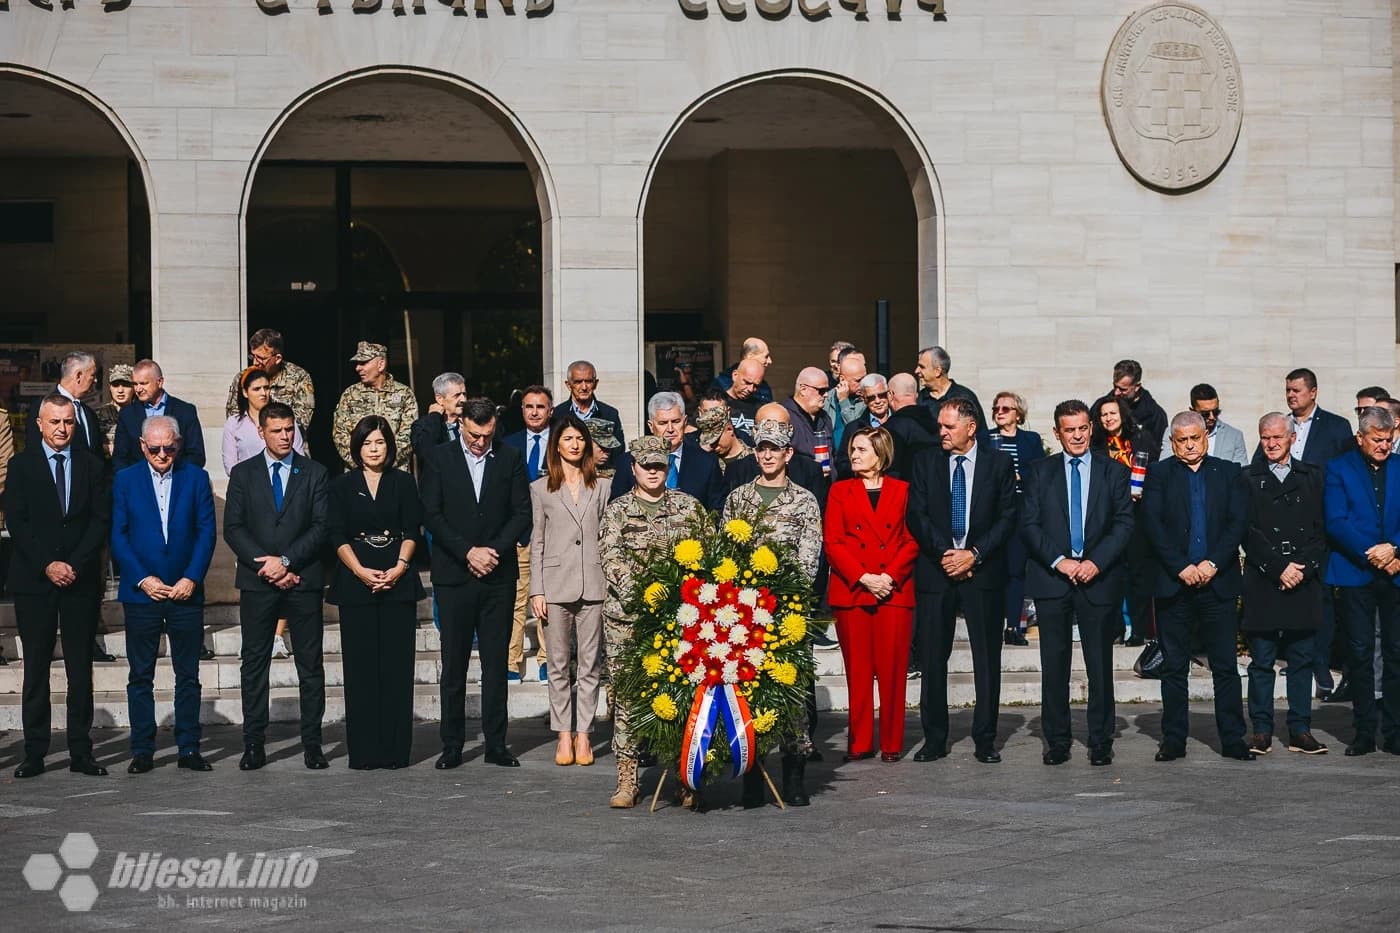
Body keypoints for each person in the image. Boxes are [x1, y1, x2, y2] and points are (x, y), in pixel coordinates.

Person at [1021, 400, 1134, 766]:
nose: (1077, 436)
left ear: (1091, 428)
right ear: (1057, 433)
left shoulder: (1113, 472)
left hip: (1098, 580)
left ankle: (1101, 740)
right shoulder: (1039, 472)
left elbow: (1124, 524)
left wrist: (1095, 563)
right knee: (1054, 665)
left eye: (1083, 428)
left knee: (1100, 665)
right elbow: (1030, 525)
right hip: (1053, 579)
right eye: (1069, 430)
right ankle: (1057, 740)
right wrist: (1061, 561)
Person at [4, 394, 111, 778]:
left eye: (68, 422)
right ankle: (34, 752)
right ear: (39, 424)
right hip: (35, 581)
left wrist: (73, 564)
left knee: (80, 668)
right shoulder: (21, 467)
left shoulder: (92, 466)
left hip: (79, 581)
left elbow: (100, 521)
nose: (62, 429)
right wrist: (48, 564)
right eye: (55, 423)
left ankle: (81, 751)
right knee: (36, 669)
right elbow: (18, 522)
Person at [421, 397, 531, 770]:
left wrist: (492, 552)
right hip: (454, 575)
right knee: (453, 665)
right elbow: (431, 514)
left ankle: (496, 744)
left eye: (486, 435)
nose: (480, 442)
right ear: (460, 424)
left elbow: (521, 513)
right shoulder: (439, 458)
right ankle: (451, 744)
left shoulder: (511, 457)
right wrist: (468, 552)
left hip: (498, 575)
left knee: (496, 664)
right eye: (473, 434)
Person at [907, 397, 1017, 764]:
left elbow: (1007, 517)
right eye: (940, 425)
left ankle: (986, 739)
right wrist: (948, 555)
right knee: (933, 659)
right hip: (937, 573)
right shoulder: (925, 462)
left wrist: (974, 554)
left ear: (971, 427)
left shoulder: (998, 464)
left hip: (982, 574)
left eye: (949, 426)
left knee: (987, 659)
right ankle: (934, 738)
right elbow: (917, 515)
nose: (942, 432)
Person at [599, 436, 707, 808]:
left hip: (679, 621)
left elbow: (705, 560)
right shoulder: (617, 511)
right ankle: (627, 780)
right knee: (628, 698)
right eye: (646, 465)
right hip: (627, 621)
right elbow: (611, 559)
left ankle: (684, 775)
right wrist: (645, 596)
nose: (652, 471)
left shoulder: (689, 509)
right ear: (633, 468)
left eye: (659, 465)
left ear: (667, 467)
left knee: (680, 695)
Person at [223, 401, 330, 771]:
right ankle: (254, 743)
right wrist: (268, 565)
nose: (285, 436)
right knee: (254, 663)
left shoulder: (314, 472)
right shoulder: (243, 473)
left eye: (289, 429)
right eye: (277, 430)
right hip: (258, 583)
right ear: (262, 432)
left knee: (310, 664)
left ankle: (313, 744)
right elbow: (233, 528)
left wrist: (286, 562)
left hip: (303, 579)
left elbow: (321, 526)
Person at [1141, 411, 1254, 762]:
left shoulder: (1228, 472)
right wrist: (1182, 568)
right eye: (1182, 440)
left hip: (1217, 583)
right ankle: (1173, 739)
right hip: (1175, 585)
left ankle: (1233, 738)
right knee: (1174, 666)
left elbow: (1237, 523)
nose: (1190, 445)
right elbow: (1152, 525)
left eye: (1196, 438)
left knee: (1224, 666)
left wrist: (1211, 564)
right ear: (1172, 443)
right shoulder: (1159, 474)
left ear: (1206, 437)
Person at [723, 419, 823, 807]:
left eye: (774, 448)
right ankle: (752, 774)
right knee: (749, 691)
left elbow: (809, 560)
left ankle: (794, 773)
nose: (766, 454)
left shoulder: (804, 501)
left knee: (792, 692)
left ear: (787, 454)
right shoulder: (738, 500)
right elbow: (726, 554)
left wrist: (780, 592)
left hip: (787, 613)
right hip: (745, 615)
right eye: (761, 447)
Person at [111, 415, 217, 774]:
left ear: (179, 444)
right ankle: (142, 749)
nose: (161, 454)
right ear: (142, 446)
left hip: (185, 593)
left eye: (168, 447)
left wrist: (192, 577)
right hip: (142, 594)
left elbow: (206, 533)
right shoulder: (125, 481)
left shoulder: (196, 478)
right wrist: (142, 579)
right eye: (154, 448)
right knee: (141, 675)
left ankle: (188, 747)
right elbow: (118, 536)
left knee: (187, 673)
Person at [327, 415, 424, 770]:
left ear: (390, 446)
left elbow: (413, 529)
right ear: (357, 447)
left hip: (398, 580)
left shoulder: (403, 482)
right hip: (356, 581)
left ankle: (397, 750)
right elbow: (335, 534)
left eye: (380, 442)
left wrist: (399, 567)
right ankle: (365, 752)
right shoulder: (341, 485)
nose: (374, 449)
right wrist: (360, 571)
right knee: (361, 668)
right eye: (367, 443)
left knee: (397, 668)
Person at [1262, 368, 1360, 701]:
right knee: (1289, 594)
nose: (1291, 395)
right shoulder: (1279, 427)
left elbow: (1348, 472)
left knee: (1321, 598)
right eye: (1288, 390)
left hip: (1321, 524)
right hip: (1282, 526)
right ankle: (1296, 655)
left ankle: (1321, 661)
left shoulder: (1335, 427)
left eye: (1297, 390)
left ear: (1313, 392)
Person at [824, 426, 919, 763]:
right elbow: (833, 542)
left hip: (893, 591)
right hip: (853, 591)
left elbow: (911, 539)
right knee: (859, 672)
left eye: (862, 449)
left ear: (881, 455)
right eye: (852, 449)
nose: (854, 455)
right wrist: (865, 577)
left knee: (893, 672)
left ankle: (892, 743)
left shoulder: (904, 490)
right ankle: (860, 741)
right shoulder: (839, 491)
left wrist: (888, 577)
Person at [1242, 413, 1328, 756]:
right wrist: (1278, 567)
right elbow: (1246, 530)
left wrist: (1301, 569)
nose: (1272, 444)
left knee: (1301, 658)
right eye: (1266, 438)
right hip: (1265, 577)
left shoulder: (1312, 477)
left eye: (1278, 437)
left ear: (1292, 438)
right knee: (1262, 660)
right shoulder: (1248, 478)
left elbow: (1322, 530)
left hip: (1302, 579)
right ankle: (1261, 730)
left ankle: (1300, 730)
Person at [529, 413, 609, 768]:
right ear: (556, 445)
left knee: (590, 665)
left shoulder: (603, 486)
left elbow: (608, 537)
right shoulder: (540, 488)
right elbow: (537, 542)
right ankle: (563, 733)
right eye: (567, 439)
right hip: (555, 586)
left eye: (579, 439)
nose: (574, 445)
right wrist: (536, 589)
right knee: (559, 664)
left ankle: (584, 735)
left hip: (594, 584)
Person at [1323, 406, 1400, 757]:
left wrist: (1395, 550)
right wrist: (1373, 553)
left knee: (1396, 653)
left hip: (1396, 571)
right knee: (1360, 651)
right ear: (1360, 437)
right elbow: (1336, 520)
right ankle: (1364, 731)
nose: (1384, 446)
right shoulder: (1339, 468)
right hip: (1356, 572)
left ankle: (1395, 731)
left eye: (1389, 439)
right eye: (1377, 440)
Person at [1091, 393, 1156, 646]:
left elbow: (1154, 471)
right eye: (1103, 414)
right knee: (1110, 573)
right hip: (1107, 517)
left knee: (1138, 575)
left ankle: (1139, 630)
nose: (1108, 418)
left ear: (1122, 415)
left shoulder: (1140, 439)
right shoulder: (1096, 444)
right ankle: (1115, 627)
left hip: (1138, 515)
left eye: (1112, 413)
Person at [501, 384, 554, 683]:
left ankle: (547, 660)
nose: (535, 412)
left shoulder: (561, 442)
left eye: (540, 407)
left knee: (546, 601)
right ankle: (511, 662)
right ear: (521, 410)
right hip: (519, 535)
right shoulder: (508, 444)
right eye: (529, 407)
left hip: (551, 535)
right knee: (517, 600)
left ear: (550, 410)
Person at [988, 390, 1046, 646]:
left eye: (1006, 409)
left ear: (1018, 414)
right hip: (992, 510)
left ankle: (1014, 625)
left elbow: (1039, 471)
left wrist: (1016, 475)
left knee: (1016, 570)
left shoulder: (1030, 440)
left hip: (1021, 509)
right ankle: (993, 623)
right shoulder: (986, 438)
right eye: (997, 408)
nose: (1000, 412)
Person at [610, 391, 725, 512]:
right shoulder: (628, 461)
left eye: (676, 422)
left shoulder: (706, 462)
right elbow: (616, 508)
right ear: (651, 425)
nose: (670, 429)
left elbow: (716, 511)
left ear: (685, 422)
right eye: (663, 423)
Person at [332, 341, 418, 471]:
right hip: (359, 473)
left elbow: (410, 434)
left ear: (381, 364)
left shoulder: (403, 394)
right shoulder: (350, 395)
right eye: (357, 364)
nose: (358, 368)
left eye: (364, 363)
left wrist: (385, 463)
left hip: (394, 473)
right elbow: (340, 433)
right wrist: (362, 464)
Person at [113, 359, 206, 471]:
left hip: (177, 481)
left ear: (160, 382)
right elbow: (120, 457)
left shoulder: (185, 411)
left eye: (143, 383)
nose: (138, 389)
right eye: (135, 384)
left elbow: (196, 455)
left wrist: (175, 477)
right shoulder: (127, 414)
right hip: (139, 484)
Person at [223, 327, 316, 434]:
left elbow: (301, 421)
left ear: (277, 358)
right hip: (249, 443)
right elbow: (233, 415)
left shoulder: (299, 377)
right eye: (252, 356)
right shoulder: (243, 378)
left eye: (261, 358)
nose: (255, 363)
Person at [223, 367, 308, 474]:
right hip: (249, 484)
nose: (263, 393)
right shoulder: (234, 423)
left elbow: (299, 455)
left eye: (266, 388)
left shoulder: (285, 419)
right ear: (245, 392)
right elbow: (230, 465)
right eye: (257, 389)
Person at [25, 351, 105, 461]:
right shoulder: (41, 408)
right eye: (93, 375)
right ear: (78, 375)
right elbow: (34, 453)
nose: (95, 380)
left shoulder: (89, 413)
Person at [1158, 384, 1249, 466]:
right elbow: (1165, 465)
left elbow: (1241, 472)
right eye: (1205, 414)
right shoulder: (1174, 432)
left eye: (1216, 411)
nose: (1212, 417)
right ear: (1192, 411)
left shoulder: (1234, 436)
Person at [564, 359, 625, 464]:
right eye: (578, 382)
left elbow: (618, 453)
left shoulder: (609, 414)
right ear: (568, 385)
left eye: (588, 381)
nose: (584, 387)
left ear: (595, 383)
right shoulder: (559, 414)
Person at [833, 374, 892, 480]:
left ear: (888, 394)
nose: (878, 401)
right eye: (871, 398)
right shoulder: (853, 428)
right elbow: (842, 464)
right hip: (862, 485)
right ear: (864, 400)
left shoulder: (902, 423)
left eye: (881, 395)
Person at [915, 346, 987, 432]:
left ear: (937, 371)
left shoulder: (965, 396)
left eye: (922, 367)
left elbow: (981, 435)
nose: (916, 371)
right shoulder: (919, 399)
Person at [782, 366, 837, 478]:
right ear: (803, 390)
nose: (826, 395)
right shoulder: (784, 416)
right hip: (798, 487)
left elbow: (833, 455)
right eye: (821, 391)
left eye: (827, 390)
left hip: (825, 486)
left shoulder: (825, 418)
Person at [883, 372, 939, 481]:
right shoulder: (937, 424)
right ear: (916, 395)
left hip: (905, 491)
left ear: (890, 395)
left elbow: (891, 469)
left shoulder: (892, 427)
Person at [410, 371, 467, 468]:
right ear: (440, 399)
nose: (463, 400)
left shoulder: (469, 422)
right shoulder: (422, 425)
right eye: (457, 395)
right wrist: (434, 417)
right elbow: (425, 453)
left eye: (464, 394)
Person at [1109, 359, 1168, 454]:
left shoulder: (1155, 415)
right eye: (1115, 386)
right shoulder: (1101, 407)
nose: (1116, 392)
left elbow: (1158, 452)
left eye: (1123, 389)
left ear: (1137, 386)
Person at [711, 337, 775, 405]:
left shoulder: (764, 386)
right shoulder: (722, 383)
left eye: (756, 385)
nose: (769, 361)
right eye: (766, 356)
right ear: (750, 357)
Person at [825, 350, 868, 453]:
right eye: (858, 381)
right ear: (842, 379)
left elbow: (858, 430)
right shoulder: (827, 398)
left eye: (864, 379)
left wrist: (844, 402)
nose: (863, 384)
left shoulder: (866, 400)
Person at [696, 403, 751, 472]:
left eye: (716, 440)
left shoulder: (755, 459)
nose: (713, 446)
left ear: (729, 429)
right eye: (710, 441)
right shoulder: (707, 462)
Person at [97, 363, 135, 458]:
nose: (120, 390)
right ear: (110, 387)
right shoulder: (97, 414)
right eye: (116, 385)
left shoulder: (142, 414)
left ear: (134, 387)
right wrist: (107, 448)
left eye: (126, 385)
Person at [722, 358, 765, 442]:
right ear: (735, 375)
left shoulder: (760, 408)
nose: (751, 389)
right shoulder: (717, 401)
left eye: (756, 386)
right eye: (747, 382)